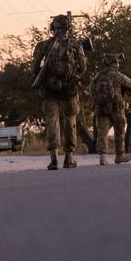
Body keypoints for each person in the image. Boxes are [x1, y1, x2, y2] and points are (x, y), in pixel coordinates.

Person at [31, 14, 89, 170]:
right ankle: (69, 158)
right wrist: (73, 79)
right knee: (70, 123)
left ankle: (54, 158)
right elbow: (83, 68)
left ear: (53, 28)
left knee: (52, 123)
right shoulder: (76, 45)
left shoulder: (43, 45)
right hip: (69, 90)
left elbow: (34, 68)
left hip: (50, 91)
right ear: (67, 28)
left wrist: (44, 78)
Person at [90, 53, 131, 165]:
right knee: (119, 131)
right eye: (117, 62)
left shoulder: (98, 75)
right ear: (114, 63)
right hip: (116, 108)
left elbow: (91, 89)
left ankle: (102, 157)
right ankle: (119, 155)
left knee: (102, 132)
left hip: (101, 107)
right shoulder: (117, 75)